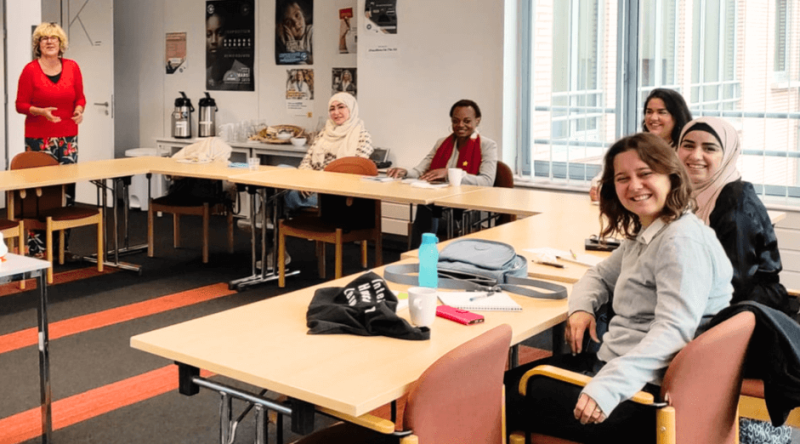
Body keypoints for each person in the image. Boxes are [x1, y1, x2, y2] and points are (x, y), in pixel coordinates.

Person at [505, 132, 733, 444]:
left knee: (490, 398)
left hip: (637, 396)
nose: (634, 186)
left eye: (645, 174)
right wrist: (583, 307)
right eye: (622, 178)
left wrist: (608, 387)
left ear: (671, 175)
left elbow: (674, 330)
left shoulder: (680, 242)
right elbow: (599, 275)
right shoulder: (655, 230)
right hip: (624, 373)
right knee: (502, 386)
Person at [15, 22, 85, 259]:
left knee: (65, 193)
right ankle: (36, 250)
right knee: (39, 195)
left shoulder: (73, 67)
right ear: (38, 44)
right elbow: (20, 105)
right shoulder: (30, 70)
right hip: (38, 141)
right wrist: (40, 111)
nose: (49, 41)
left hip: (68, 139)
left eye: (53, 37)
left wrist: (79, 110)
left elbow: (80, 97)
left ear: (61, 43)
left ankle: (61, 250)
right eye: (43, 38)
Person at [387, 99, 497, 248]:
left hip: (469, 209)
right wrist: (404, 172)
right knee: (426, 205)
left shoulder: (488, 146)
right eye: (455, 121)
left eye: (467, 121)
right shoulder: (441, 143)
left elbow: (487, 181)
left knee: (428, 208)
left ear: (477, 121)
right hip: (440, 204)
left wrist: (450, 174)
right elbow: (420, 170)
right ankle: (421, 254)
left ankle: (422, 253)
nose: (460, 125)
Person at [589, 88, 692, 201]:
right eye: (649, 112)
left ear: (677, 117)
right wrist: (598, 188)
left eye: (661, 112)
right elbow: (605, 177)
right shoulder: (636, 147)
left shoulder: (686, 152)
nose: (653, 118)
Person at [285, 92, 374, 212]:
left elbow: (353, 170)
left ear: (351, 109)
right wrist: (305, 181)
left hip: (335, 191)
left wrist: (316, 182)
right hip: (311, 184)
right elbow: (307, 160)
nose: (336, 112)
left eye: (341, 107)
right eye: (332, 109)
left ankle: (284, 218)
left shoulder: (362, 136)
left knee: (289, 194)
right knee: (281, 171)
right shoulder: (324, 132)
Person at [206, 11, 250, 90]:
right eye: (208, 34)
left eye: (220, 33)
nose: (213, 41)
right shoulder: (206, 74)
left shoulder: (243, 71)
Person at [276, 0, 313, 65]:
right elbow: (281, 58)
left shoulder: (312, 31)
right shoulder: (286, 40)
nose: (295, 23)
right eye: (289, 22)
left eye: (297, 15)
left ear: (303, 15)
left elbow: (317, 61)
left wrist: (295, 54)